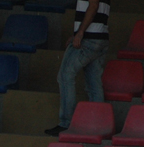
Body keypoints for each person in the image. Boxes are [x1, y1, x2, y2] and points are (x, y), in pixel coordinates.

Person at [44, 0, 111, 137]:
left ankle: (66, 123)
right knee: (94, 84)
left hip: (88, 38)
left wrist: (80, 32)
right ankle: (97, 125)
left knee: (65, 75)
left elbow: (93, 5)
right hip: (101, 38)